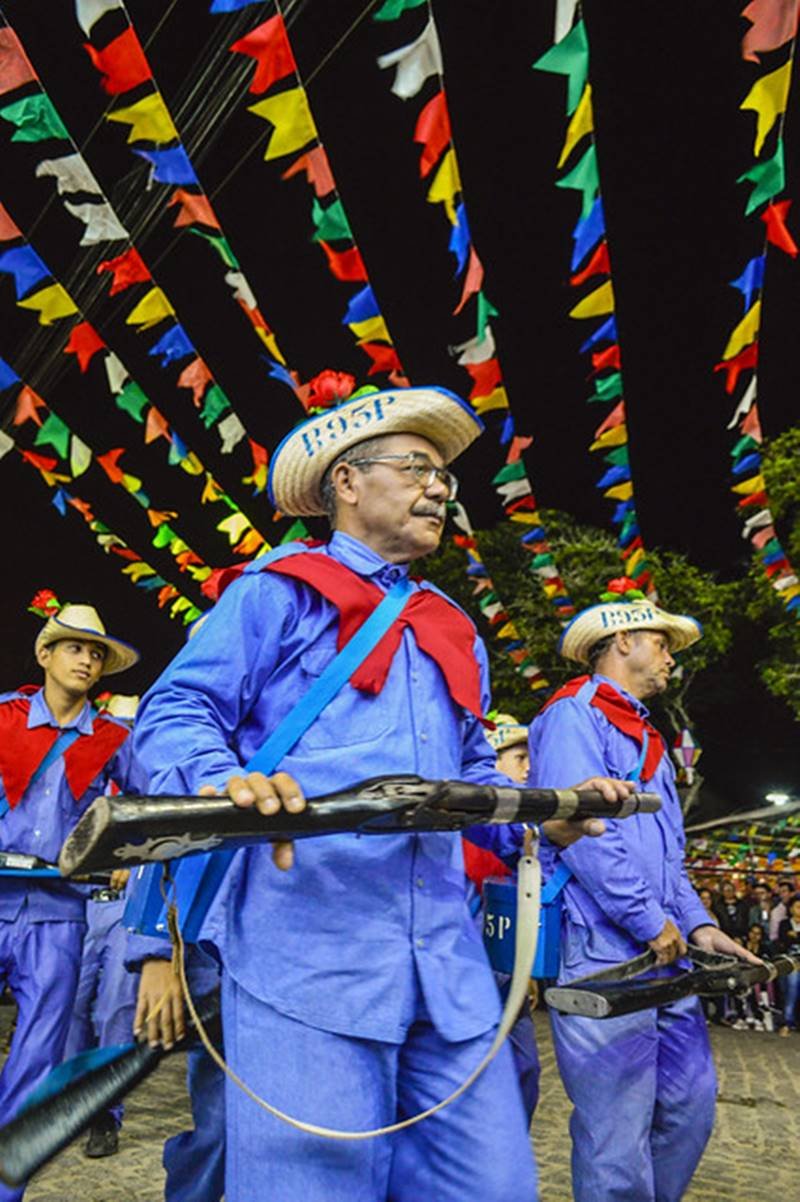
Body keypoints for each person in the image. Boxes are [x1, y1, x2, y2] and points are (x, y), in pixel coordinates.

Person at [131, 384, 634, 1202]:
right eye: (415, 468)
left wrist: (551, 816)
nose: (439, 488)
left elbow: (472, 775)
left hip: (448, 970)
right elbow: (175, 711)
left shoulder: (455, 626)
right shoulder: (276, 591)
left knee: (493, 1188)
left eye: (444, 477)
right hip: (307, 960)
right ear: (346, 483)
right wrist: (225, 781)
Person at [528, 579, 760, 1202]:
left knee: (690, 1107)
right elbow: (583, 836)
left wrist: (700, 926)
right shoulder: (572, 714)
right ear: (622, 639)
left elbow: (671, 860)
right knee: (616, 1130)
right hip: (607, 956)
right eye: (660, 642)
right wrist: (651, 921)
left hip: (666, 949)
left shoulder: (648, 738)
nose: (671, 657)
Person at [0, 596, 140, 1202]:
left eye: (95, 654)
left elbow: (145, 807)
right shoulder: (3, 718)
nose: (86, 661)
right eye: (75, 648)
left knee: (35, 1064)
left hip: (59, 916)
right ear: (46, 654)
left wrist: (128, 863)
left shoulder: (114, 739)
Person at [777, 895, 800, 1036]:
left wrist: (795, 936)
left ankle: (791, 1021)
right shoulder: (784, 923)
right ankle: (787, 1022)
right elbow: (783, 941)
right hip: (790, 962)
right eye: (797, 907)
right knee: (790, 988)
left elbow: (791, 939)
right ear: (791, 909)